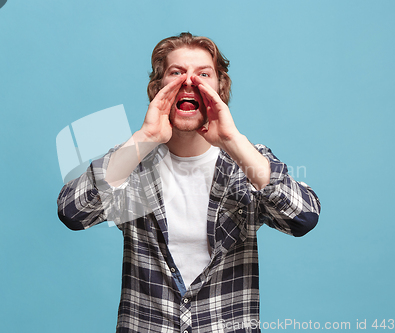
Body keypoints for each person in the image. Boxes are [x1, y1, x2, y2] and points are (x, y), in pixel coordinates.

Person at [57, 32, 321, 333]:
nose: (189, 82)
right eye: (176, 73)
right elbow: (73, 213)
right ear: (157, 89)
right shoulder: (131, 163)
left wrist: (233, 141)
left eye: (203, 74)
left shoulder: (247, 162)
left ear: (220, 89)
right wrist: (145, 138)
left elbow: (303, 218)